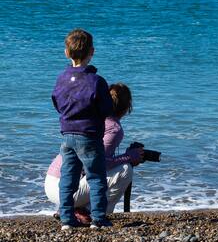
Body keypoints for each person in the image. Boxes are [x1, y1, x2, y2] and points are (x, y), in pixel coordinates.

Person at [46, 83, 144, 224]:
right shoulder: (114, 128)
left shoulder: (89, 118)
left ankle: (72, 209)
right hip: (66, 189)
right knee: (125, 170)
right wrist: (129, 157)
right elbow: (97, 163)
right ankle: (89, 212)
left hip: (52, 183)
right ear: (127, 107)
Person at [51, 29, 114, 230]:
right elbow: (106, 109)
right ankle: (98, 219)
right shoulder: (97, 81)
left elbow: (56, 101)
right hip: (89, 135)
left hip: (67, 135)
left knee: (68, 178)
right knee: (96, 177)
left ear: (66, 53)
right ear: (92, 52)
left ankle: (67, 219)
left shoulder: (61, 78)